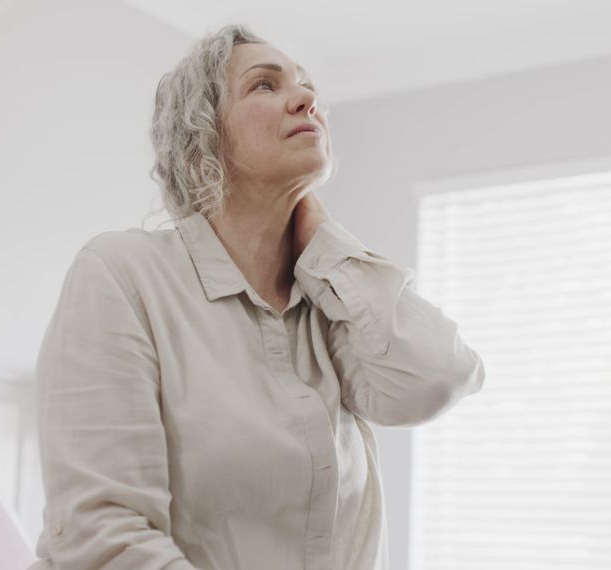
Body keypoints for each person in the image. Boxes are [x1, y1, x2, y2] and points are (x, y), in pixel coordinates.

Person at [28, 22, 485, 570]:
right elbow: (102, 536)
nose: (307, 98)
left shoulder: (330, 307)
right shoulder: (121, 275)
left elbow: (440, 376)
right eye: (265, 85)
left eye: (307, 85)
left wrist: (326, 243)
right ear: (203, 133)